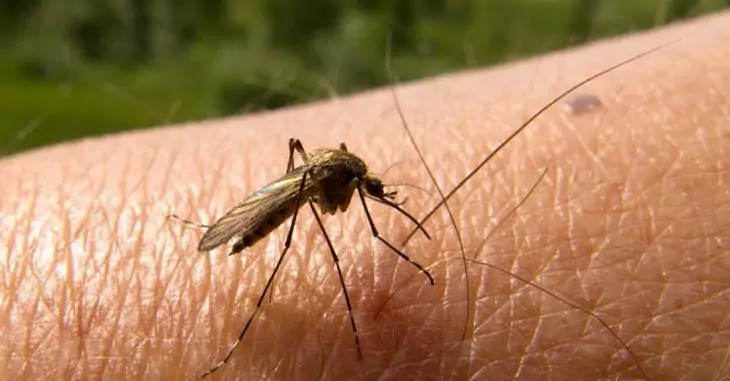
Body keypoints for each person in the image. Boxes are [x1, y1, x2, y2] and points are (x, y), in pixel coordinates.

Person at [2, 11, 728, 380]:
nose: (371, 197)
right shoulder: (331, 178)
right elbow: (351, 219)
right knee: (289, 240)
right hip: (276, 201)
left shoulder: (345, 169)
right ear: (352, 177)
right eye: (370, 189)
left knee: (302, 222)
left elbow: (351, 192)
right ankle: (242, 319)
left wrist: (371, 197)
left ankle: (229, 239)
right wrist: (366, 233)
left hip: (302, 178)